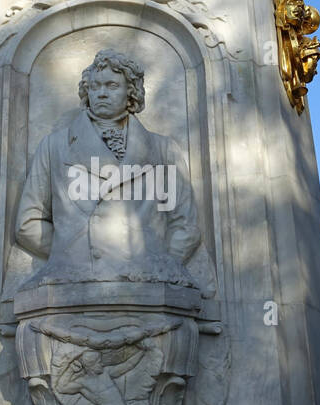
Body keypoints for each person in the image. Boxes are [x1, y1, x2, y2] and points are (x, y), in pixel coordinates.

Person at [15, 50, 202, 288]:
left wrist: (158, 264)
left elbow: (185, 226)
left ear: (130, 92)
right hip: (75, 279)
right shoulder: (54, 147)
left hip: (146, 283)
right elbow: (28, 222)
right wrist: (75, 254)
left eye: (112, 85)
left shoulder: (163, 150)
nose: (101, 93)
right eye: (95, 86)